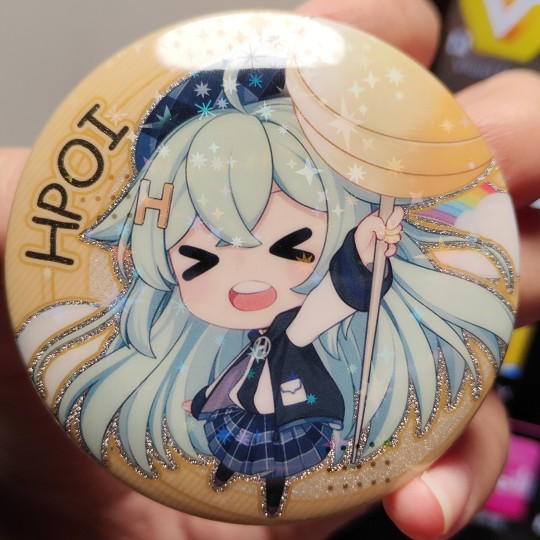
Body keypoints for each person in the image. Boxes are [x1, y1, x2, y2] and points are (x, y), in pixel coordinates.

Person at [1, 0, 540, 537]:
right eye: (199, 261)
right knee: (240, 447)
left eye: (292, 248)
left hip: (292, 410)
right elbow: (234, 376)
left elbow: (334, 298)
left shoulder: (294, 330)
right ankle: (234, 479)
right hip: (210, 432)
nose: (247, 280)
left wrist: (363, 251)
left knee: (274, 458)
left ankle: (264, 485)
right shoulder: (239, 344)